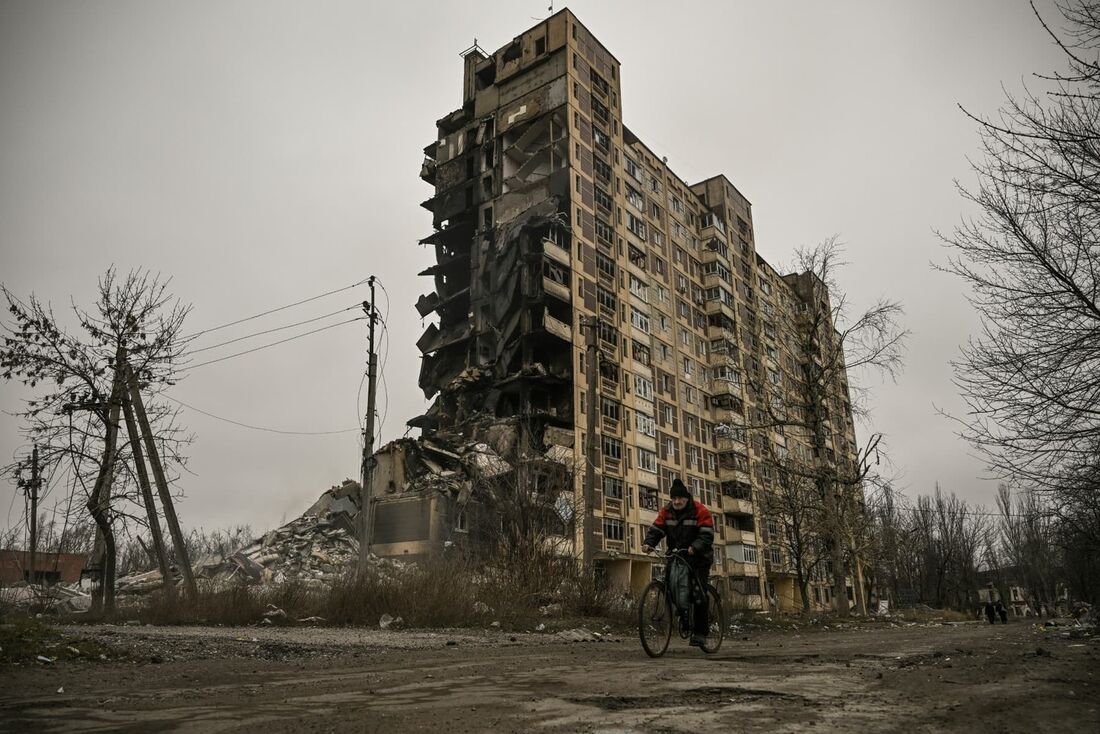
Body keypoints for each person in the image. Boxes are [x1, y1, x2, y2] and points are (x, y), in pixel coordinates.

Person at [641, 478, 715, 647]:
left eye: (680, 498)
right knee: (671, 585)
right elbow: (656, 529)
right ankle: (683, 614)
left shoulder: (700, 510)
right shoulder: (666, 511)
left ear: (687, 498)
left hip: (699, 558)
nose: (677, 501)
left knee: (698, 593)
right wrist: (648, 544)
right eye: (674, 499)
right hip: (677, 555)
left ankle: (700, 632)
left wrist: (695, 548)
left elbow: (707, 535)